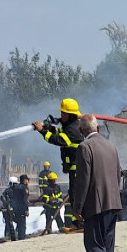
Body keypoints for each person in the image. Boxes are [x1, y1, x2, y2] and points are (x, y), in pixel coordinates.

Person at [72, 115, 122, 252]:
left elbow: (82, 181)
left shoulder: (85, 147)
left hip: (96, 204)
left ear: (81, 131)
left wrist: (77, 208)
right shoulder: (111, 146)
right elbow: (118, 175)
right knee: (107, 244)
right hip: (113, 202)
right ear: (98, 128)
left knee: (93, 244)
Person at [32, 98, 85, 231]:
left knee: (76, 195)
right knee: (74, 195)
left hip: (78, 168)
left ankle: (80, 224)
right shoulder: (70, 126)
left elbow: (58, 140)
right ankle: (77, 223)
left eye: (63, 114)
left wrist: (42, 131)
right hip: (74, 167)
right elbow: (59, 132)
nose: (61, 116)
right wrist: (50, 128)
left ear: (70, 115)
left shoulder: (73, 130)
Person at [9, 174, 31, 240]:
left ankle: (16, 236)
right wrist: (26, 210)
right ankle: (21, 238)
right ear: (24, 180)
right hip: (22, 209)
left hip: (15, 208)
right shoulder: (25, 188)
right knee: (22, 225)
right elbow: (25, 200)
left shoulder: (16, 187)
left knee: (18, 223)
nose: (28, 182)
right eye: (27, 180)